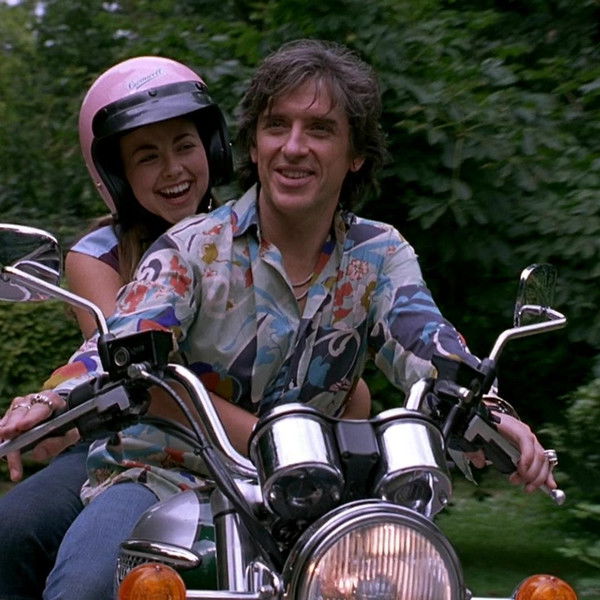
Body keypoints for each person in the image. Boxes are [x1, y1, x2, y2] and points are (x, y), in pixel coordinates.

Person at [0, 39, 555, 600]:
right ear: (254, 144)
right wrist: (51, 400)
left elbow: (428, 341)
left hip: (313, 495)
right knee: (88, 583)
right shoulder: (190, 247)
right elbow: (124, 342)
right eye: (276, 126)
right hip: (161, 476)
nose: (293, 147)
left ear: (356, 154)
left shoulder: (380, 254)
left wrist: (490, 411)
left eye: (320, 130)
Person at [0, 54, 234, 600]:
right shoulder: (98, 254)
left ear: (212, 148)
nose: (173, 169)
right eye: (147, 156)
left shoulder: (247, 237)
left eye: (185, 145)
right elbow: (117, 358)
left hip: (227, 444)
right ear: (115, 176)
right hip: (122, 436)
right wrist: (51, 399)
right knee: (11, 530)